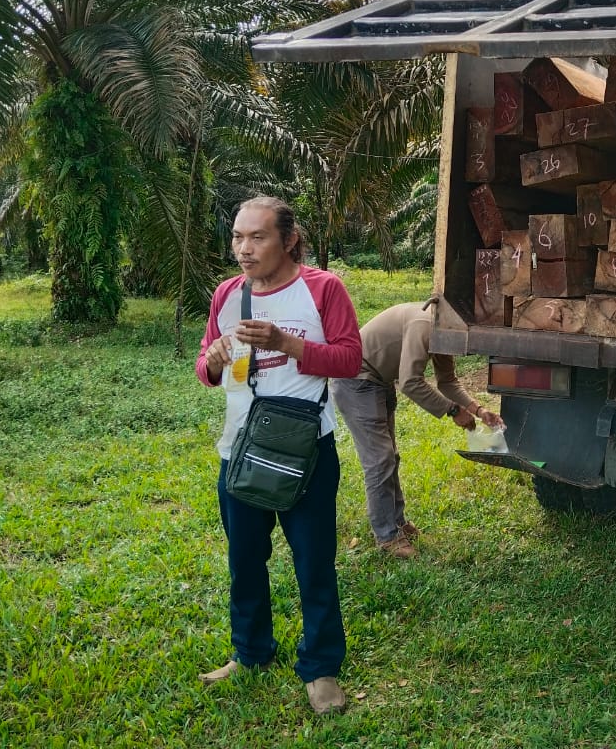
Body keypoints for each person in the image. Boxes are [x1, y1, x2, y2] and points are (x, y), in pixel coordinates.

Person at [195, 195, 362, 715]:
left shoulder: (322, 289)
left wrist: (286, 344)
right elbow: (204, 368)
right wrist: (216, 359)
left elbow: (351, 359)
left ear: (289, 239)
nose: (244, 249)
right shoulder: (228, 293)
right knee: (244, 559)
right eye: (238, 238)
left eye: (257, 237)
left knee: (314, 563)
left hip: (305, 451)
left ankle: (321, 668)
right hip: (239, 450)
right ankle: (250, 652)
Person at [331, 299, 503, 560]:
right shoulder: (425, 324)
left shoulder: (446, 331)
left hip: (379, 380)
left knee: (391, 457)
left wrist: (478, 410)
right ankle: (387, 536)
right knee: (380, 460)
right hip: (356, 380)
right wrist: (454, 411)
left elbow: (447, 381)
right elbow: (410, 382)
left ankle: (397, 522)